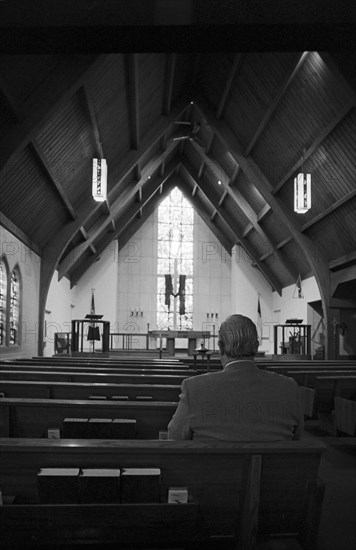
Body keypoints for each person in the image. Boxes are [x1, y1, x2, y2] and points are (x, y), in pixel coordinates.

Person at [167, 314, 304, 441]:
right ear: (256, 347)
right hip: (275, 467)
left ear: (220, 347)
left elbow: (175, 437)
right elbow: (298, 438)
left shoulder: (194, 388)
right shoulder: (289, 387)